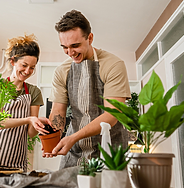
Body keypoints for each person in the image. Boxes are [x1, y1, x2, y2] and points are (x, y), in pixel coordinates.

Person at [45, 10, 131, 169]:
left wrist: (74, 137)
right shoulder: (61, 71)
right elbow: (58, 112)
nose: (70, 53)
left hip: (110, 150)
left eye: (75, 46)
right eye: (65, 47)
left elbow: (112, 114)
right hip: (75, 151)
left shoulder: (113, 65)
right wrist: (51, 135)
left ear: (90, 38)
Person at [0, 34, 50, 172]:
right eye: (24, 65)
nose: (27, 71)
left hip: (16, 159)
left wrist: (36, 122)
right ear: (13, 61)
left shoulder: (34, 92)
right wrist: (28, 119)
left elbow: (30, 134)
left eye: (32, 67)